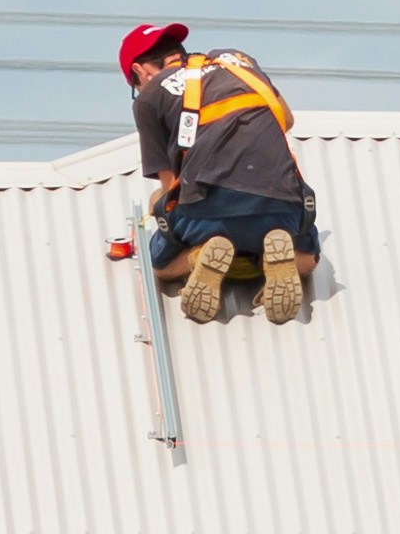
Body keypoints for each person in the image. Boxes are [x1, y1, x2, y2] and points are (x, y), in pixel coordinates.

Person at [122, 22, 317, 323]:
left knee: (159, 259)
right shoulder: (236, 60)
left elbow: (170, 186)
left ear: (139, 71)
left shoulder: (149, 99)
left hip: (211, 211)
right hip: (281, 204)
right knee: (308, 255)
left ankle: (200, 254)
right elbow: (286, 120)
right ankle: (274, 254)